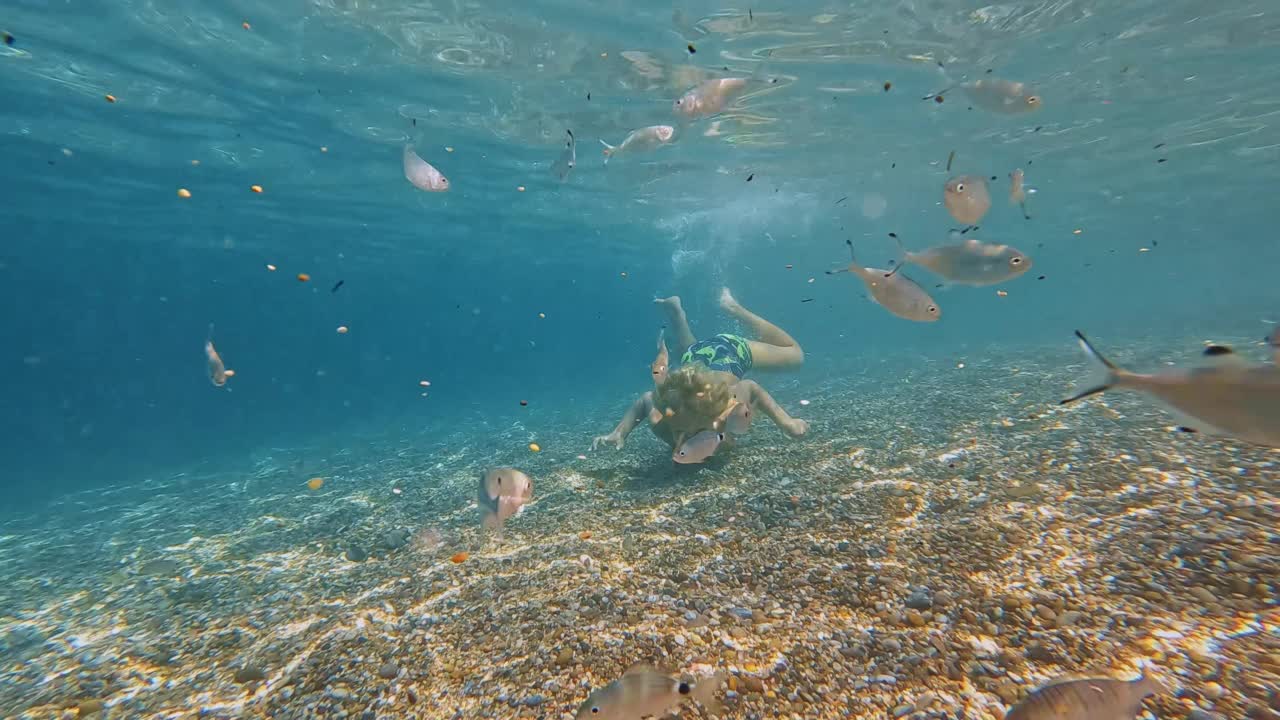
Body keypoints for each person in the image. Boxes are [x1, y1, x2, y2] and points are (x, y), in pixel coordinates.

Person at [591, 288, 809, 461]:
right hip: (694, 359)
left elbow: (751, 387)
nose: (687, 438)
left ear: (717, 415)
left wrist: (786, 422)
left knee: (796, 355)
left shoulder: (728, 406)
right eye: (679, 432)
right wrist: (619, 432)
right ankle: (677, 313)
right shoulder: (666, 421)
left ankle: (735, 309)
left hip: (729, 351)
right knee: (691, 350)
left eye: (698, 431)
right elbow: (646, 401)